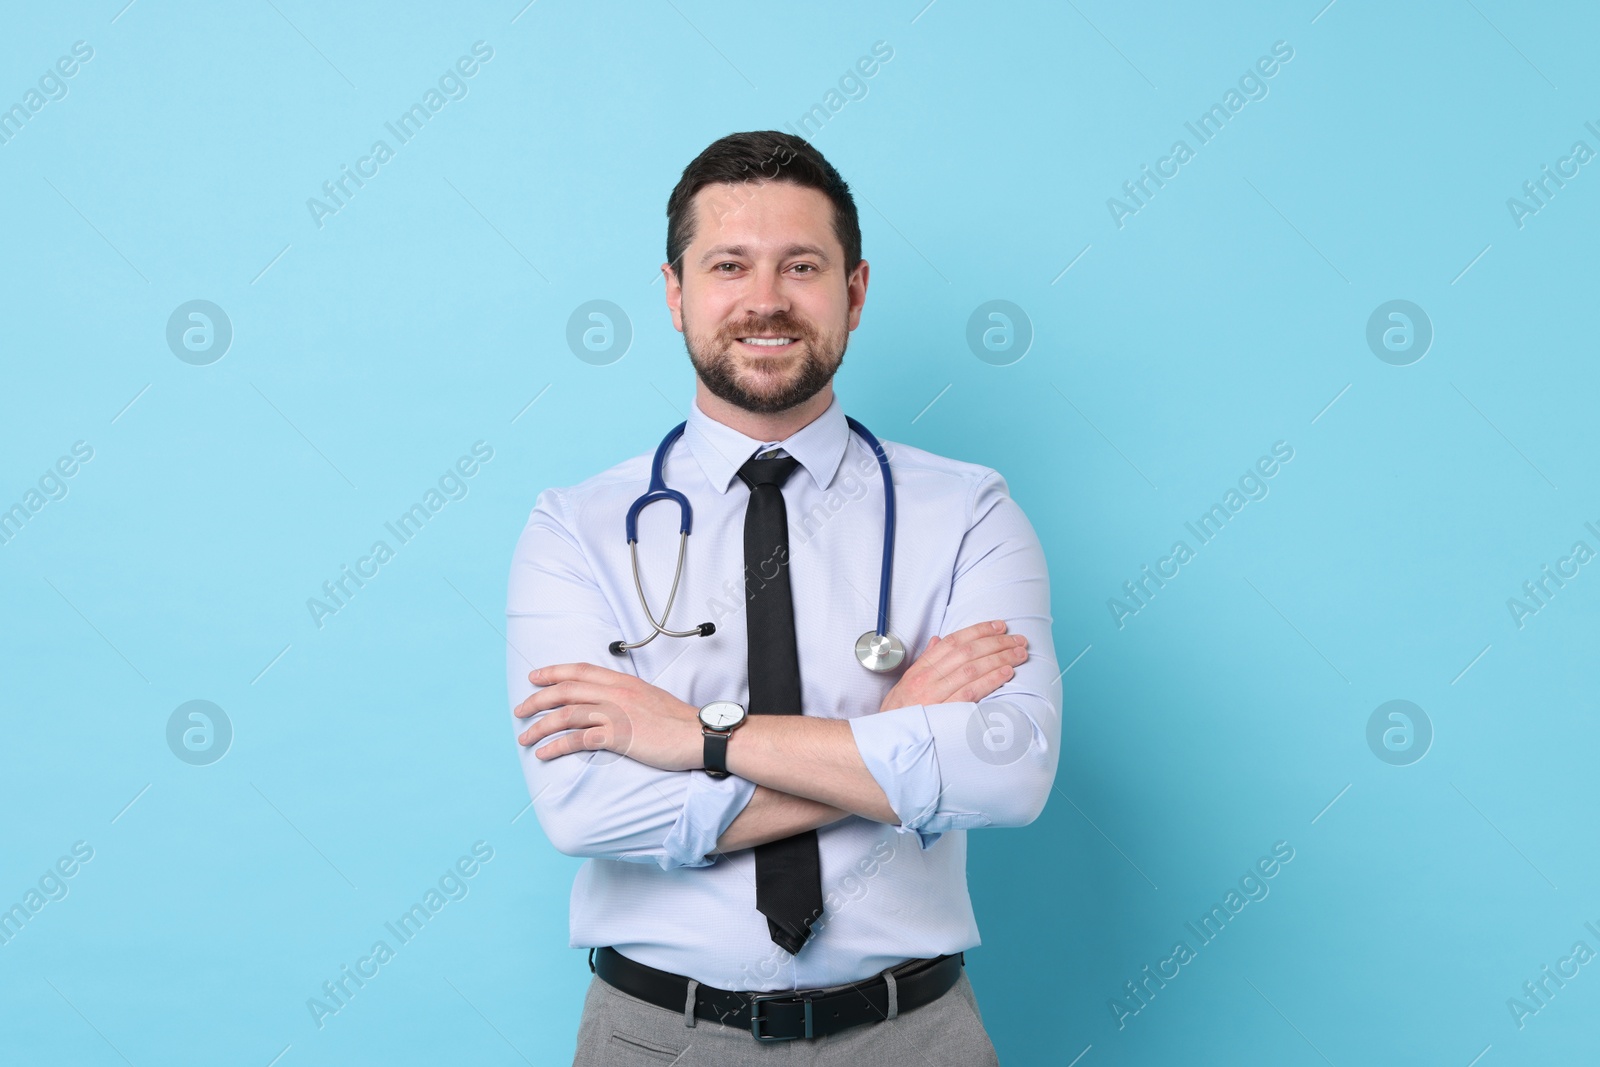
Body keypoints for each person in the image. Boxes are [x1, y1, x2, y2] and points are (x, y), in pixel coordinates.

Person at [505, 130, 1059, 1064]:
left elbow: (1008, 772)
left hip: (913, 1037)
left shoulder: (968, 510)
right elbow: (585, 808)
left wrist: (700, 739)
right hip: (658, 1039)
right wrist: (892, 743)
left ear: (855, 290)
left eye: (802, 265)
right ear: (677, 293)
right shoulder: (575, 527)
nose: (765, 300)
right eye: (729, 265)